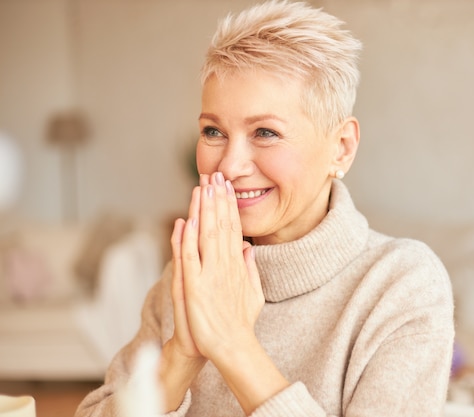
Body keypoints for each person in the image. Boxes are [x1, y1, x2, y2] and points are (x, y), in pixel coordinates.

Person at [75, 1, 454, 416]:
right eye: (213, 131)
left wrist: (232, 343)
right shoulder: (192, 275)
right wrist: (181, 356)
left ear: (341, 148)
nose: (231, 165)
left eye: (266, 132)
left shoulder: (402, 284)